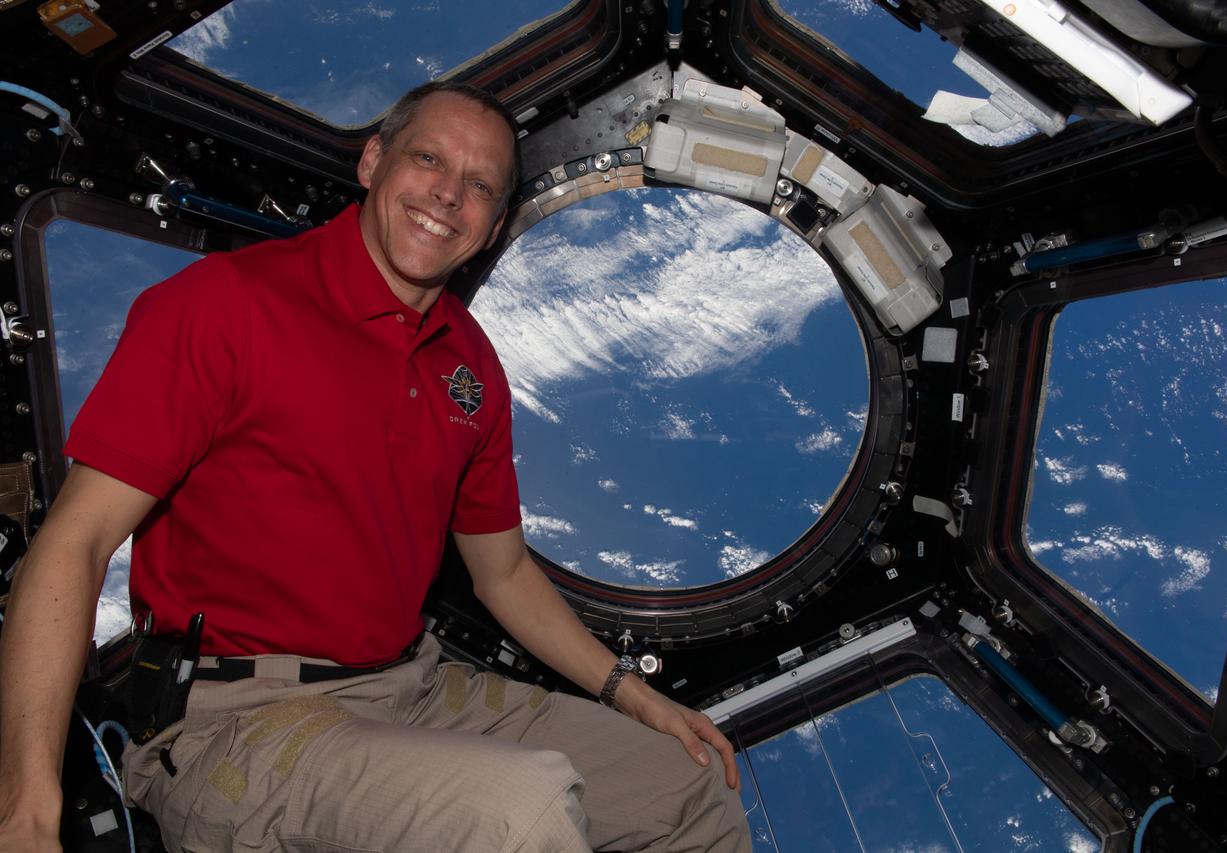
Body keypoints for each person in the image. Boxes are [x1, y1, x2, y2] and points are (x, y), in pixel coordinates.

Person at [0, 81, 751, 852]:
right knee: (518, 812)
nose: (448, 195)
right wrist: (26, 811)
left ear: (493, 227)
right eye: (429, 158)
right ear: (372, 162)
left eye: (481, 187)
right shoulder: (225, 305)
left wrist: (633, 695)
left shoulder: (470, 364)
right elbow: (76, 543)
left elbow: (504, 573)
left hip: (409, 686)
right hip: (240, 718)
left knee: (686, 782)